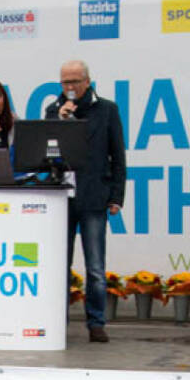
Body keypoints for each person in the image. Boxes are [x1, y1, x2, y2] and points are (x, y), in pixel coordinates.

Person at [44, 59, 126, 343]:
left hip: (94, 195)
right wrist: (61, 121)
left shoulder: (106, 110)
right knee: (59, 264)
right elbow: (45, 151)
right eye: (65, 82)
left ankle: (96, 322)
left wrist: (117, 196)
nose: (70, 87)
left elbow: (118, 156)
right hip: (62, 197)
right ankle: (58, 321)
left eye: (75, 81)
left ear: (87, 81)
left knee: (95, 266)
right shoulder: (54, 111)